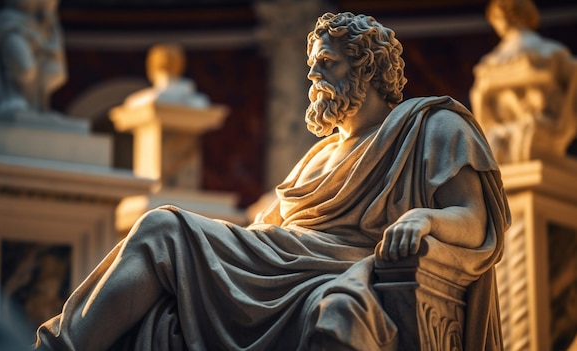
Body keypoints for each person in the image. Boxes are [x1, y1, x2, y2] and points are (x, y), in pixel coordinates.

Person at [35, 12, 509, 351]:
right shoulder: (318, 155)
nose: (313, 73)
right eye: (313, 65)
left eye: (328, 62)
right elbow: (265, 228)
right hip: (277, 258)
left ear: (368, 68)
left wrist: (426, 218)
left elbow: (473, 219)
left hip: (346, 263)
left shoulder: (431, 126)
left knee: (167, 229)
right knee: (163, 233)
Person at [470, 0, 577, 163]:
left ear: (502, 17)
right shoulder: (554, 52)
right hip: (520, 131)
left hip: (536, 131)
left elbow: (479, 100)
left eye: (496, 18)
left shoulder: (490, 63)